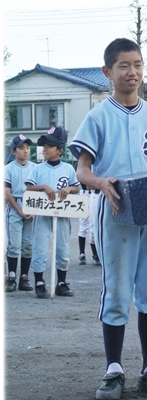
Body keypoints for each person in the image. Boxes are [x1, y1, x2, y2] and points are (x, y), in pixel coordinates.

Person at [69, 38, 147, 400]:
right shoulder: (98, 116)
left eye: (137, 65)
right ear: (108, 72)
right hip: (116, 208)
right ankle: (113, 369)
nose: (132, 72)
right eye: (123, 66)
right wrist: (101, 182)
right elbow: (81, 169)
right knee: (117, 289)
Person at [25, 127, 81, 299]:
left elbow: (77, 188)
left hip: (62, 214)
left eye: (50, 145)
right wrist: (43, 187)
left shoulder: (68, 169)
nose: (45, 149)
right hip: (42, 214)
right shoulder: (38, 169)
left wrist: (69, 189)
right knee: (40, 247)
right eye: (44, 145)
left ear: (60, 150)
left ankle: (61, 283)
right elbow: (29, 187)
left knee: (63, 248)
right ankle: (40, 282)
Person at [4, 134, 36, 293]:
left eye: (27, 148)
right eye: (21, 148)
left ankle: (24, 277)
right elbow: (7, 193)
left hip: (31, 206)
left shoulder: (34, 167)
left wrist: (33, 211)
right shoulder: (8, 168)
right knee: (14, 245)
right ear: (14, 151)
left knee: (28, 244)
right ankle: (11, 278)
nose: (25, 151)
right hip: (15, 206)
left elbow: (40, 190)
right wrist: (20, 211)